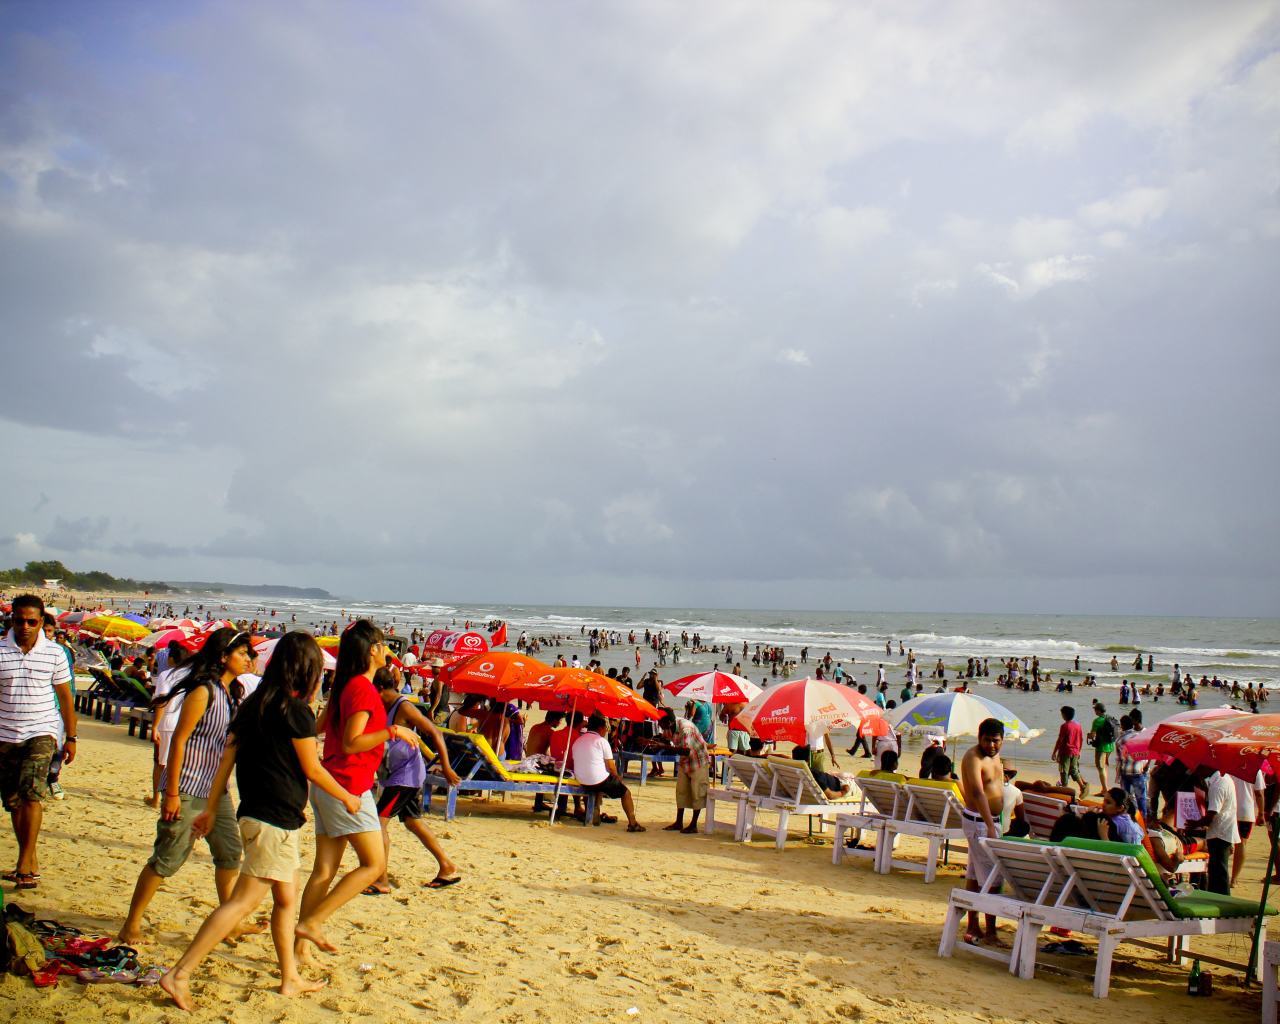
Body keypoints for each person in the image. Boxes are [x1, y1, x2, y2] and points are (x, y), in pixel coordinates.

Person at [157, 632, 354, 1010]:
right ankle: (179, 973)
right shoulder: (294, 711)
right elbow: (312, 768)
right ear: (307, 669)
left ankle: (290, 978)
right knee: (244, 902)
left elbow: (226, 759)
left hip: (255, 812)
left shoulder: (251, 704)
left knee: (285, 898)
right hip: (275, 819)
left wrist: (212, 809)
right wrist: (346, 795)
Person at [119, 628, 256, 944]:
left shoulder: (231, 693)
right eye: (242, 653)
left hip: (215, 790)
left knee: (230, 853)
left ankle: (230, 921)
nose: (249, 659)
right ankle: (131, 924)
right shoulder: (204, 691)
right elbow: (179, 741)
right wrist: (170, 794)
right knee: (169, 857)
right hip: (188, 787)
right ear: (223, 657)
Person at [295, 621, 415, 966]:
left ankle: (300, 949)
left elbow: (317, 728)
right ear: (373, 650)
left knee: (324, 870)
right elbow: (351, 742)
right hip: (348, 785)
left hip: (329, 783)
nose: (387, 650)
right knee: (374, 864)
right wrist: (391, 730)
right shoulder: (362, 688)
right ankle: (313, 923)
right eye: (383, 644)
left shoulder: (346, 685)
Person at [0, 594, 75, 889]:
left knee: (32, 793)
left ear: (41, 622)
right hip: (4, 733)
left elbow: (66, 697)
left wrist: (71, 736)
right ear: (12, 620)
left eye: (32, 621)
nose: (26, 626)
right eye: (20, 620)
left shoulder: (54, 653)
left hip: (41, 731)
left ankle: (24, 863)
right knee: (14, 802)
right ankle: (28, 859)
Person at [369, 670, 461, 892]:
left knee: (377, 824)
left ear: (379, 689)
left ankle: (381, 881)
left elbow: (436, 734)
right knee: (412, 822)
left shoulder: (404, 706)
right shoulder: (384, 707)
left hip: (405, 776)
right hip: (396, 774)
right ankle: (446, 865)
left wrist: (446, 767)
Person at [959, 719, 1005, 947]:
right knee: (993, 878)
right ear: (979, 738)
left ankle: (974, 925)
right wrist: (989, 826)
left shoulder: (995, 756)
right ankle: (991, 931)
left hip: (990, 821)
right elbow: (977, 793)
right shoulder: (972, 757)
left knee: (976, 875)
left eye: (996, 741)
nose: (991, 745)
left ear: (1002, 740)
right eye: (987, 740)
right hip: (980, 822)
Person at [571, 715, 643, 831]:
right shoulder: (601, 741)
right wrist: (617, 776)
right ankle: (633, 823)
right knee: (625, 793)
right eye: (605, 728)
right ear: (600, 728)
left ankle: (595, 809)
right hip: (596, 780)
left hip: (580, 779)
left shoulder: (578, 740)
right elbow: (610, 766)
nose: (606, 731)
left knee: (600, 779)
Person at [652, 710, 711, 833]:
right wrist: (650, 742)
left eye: (660, 722)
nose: (659, 724)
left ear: (668, 722)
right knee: (681, 791)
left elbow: (687, 751)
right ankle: (679, 822)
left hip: (697, 761)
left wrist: (662, 747)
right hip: (684, 762)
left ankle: (693, 824)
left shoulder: (686, 728)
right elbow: (665, 739)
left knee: (697, 792)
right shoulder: (670, 727)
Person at [1187, 767, 1237, 894]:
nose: (1197, 772)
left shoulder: (1219, 785)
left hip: (1220, 831)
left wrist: (1195, 824)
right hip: (1224, 829)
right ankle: (1217, 894)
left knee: (1219, 869)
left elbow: (1212, 815)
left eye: (1199, 769)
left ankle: (1223, 896)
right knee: (1217, 868)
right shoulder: (1222, 780)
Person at [1232, 771, 1266, 888]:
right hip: (1245, 810)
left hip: (1229, 808)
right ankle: (1234, 879)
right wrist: (1261, 813)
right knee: (1241, 844)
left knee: (1225, 843)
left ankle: (1224, 877)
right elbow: (1259, 793)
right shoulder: (1255, 769)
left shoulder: (1230, 764)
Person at [1115, 714, 1148, 818]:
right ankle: (1143, 818)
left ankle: (1127, 815)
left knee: (1125, 797)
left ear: (1123, 726)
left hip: (1124, 771)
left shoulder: (1120, 740)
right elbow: (1146, 753)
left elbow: (1120, 756)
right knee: (1141, 797)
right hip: (1137, 770)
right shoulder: (1140, 736)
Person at [1087, 703, 1115, 791]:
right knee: (1104, 767)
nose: (1094, 711)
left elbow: (1092, 735)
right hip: (1110, 746)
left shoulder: (1097, 721)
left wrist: (1088, 736)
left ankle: (1105, 789)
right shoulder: (1110, 718)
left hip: (1101, 747)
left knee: (1101, 768)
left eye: (1095, 709)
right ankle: (1104, 788)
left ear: (1098, 710)